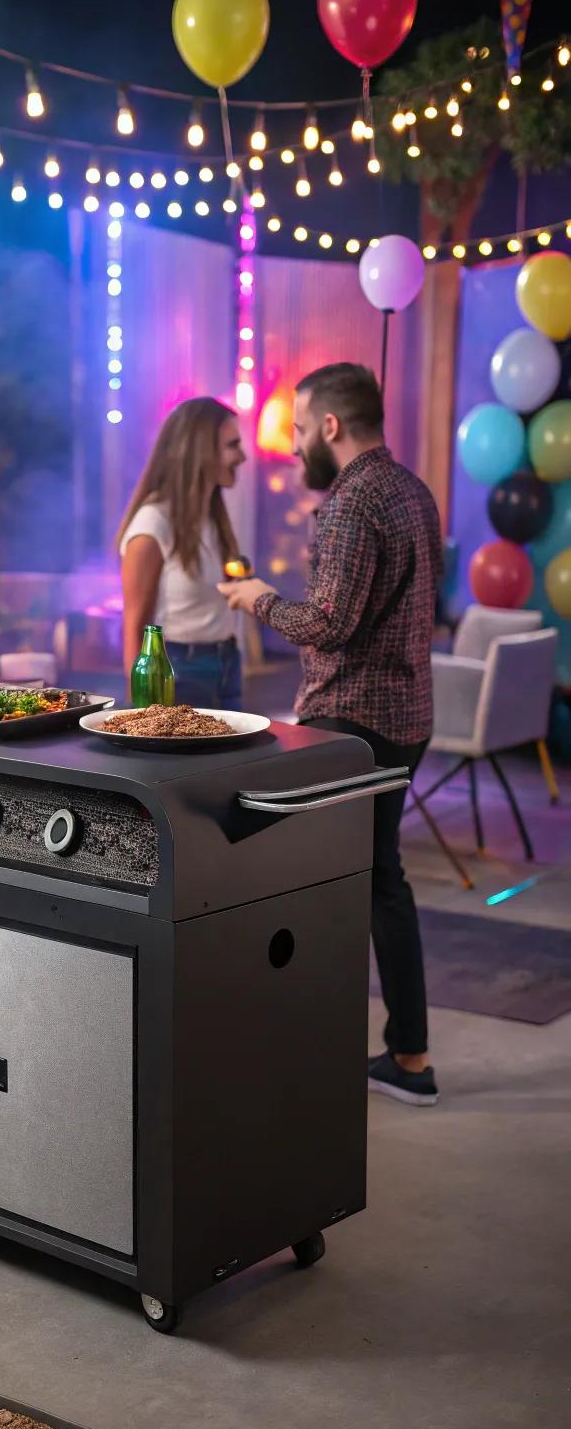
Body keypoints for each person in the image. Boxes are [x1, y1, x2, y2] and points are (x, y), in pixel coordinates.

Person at [222, 363, 443, 1107]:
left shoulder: (351, 504)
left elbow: (328, 624)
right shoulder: (414, 491)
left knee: (310, 888)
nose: (289, 447)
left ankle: (301, 1047)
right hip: (408, 720)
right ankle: (409, 1057)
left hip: (348, 723)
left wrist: (260, 600)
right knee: (382, 881)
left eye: (294, 429)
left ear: (329, 427)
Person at [118, 397, 247, 709]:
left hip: (227, 662)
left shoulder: (213, 516)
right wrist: (144, 713)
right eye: (233, 445)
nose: (242, 457)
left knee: (231, 759)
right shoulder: (153, 523)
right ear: (199, 450)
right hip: (177, 670)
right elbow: (134, 627)